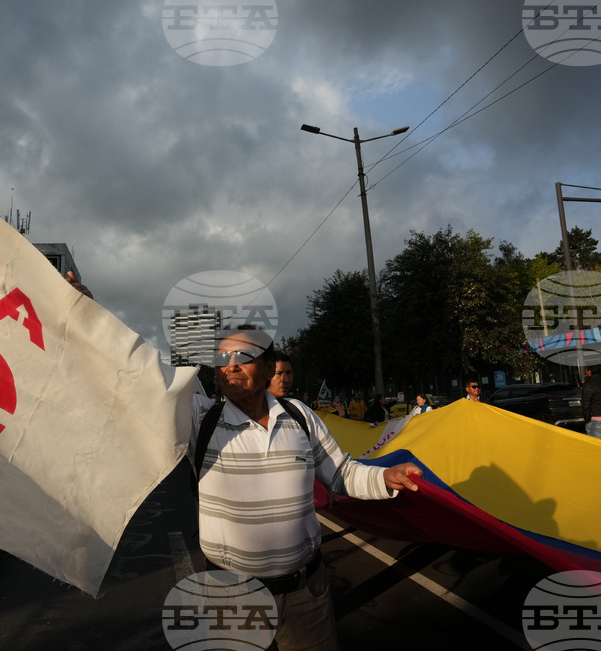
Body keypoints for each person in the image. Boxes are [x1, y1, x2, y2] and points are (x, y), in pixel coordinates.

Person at [63, 277, 424, 649]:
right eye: (221, 359)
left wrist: (385, 478)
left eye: (243, 356)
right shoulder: (198, 420)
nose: (230, 366)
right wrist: (88, 316)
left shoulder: (299, 416)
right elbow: (137, 377)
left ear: (269, 368)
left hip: (307, 595)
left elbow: (342, 473)